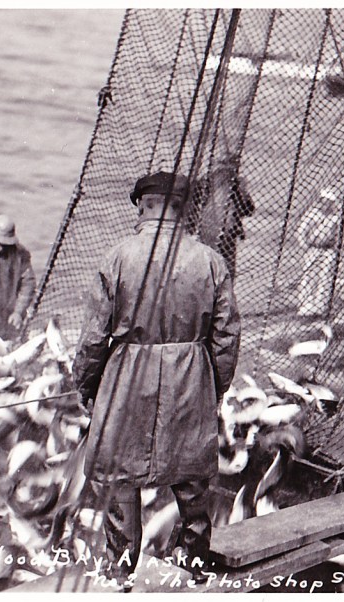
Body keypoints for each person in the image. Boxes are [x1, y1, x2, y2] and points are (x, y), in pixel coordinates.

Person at [71, 171, 241, 589]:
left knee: (118, 474)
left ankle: (120, 571)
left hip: (127, 375)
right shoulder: (210, 261)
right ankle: (194, 561)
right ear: (181, 209)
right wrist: (215, 388)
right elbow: (227, 336)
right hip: (191, 374)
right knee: (192, 477)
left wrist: (87, 387)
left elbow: (93, 336)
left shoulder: (118, 257)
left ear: (143, 207)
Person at [189, 154, 255, 279]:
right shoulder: (219, 181)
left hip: (214, 231)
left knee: (210, 268)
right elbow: (248, 210)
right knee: (221, 270)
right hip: (219, 232)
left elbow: (248, 209)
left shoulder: (209, 180)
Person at [295, 187, 343, 318]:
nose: (326, 204)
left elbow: (338, 235)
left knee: (325, 278)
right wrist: (305, 246)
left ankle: (321, 307)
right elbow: (301, 231)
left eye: (330, 202)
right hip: (314, 249)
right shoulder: (313, 214)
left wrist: (335, 249)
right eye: (325, 201)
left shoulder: (335, 217)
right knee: (309, 277)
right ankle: (305, 306)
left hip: (329, 250)